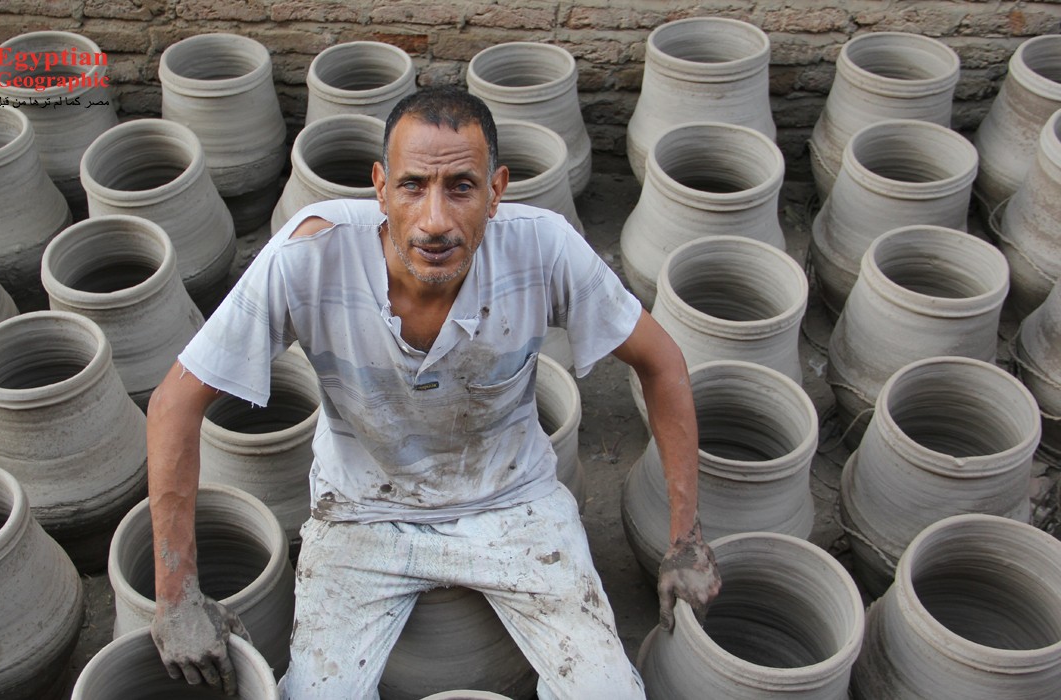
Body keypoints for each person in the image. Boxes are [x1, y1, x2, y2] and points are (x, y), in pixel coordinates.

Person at [147, 85, 720, 698]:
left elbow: (662, 364)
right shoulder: (308, 256)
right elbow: (174, 404)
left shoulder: (543, 245)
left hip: (512, 501)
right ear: (380, 186)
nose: (436, 220)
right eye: (414, 185)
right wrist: (175, 596)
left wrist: (684, 540)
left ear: (496, 191)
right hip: (363, 507)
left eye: (462, 188)